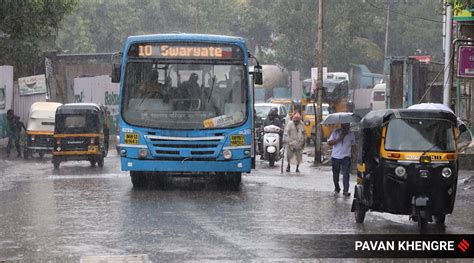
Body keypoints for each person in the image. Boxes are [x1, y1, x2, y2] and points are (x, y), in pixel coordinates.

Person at [328, 123, 356, 196]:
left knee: (346, 174)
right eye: (345, 126)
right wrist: (339, 138)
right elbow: (329, 143)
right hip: (335, 157)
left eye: (348, 126)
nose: (347, 128)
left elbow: (353, 145)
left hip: (346, 157)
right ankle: (337, 188)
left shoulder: (351, 134)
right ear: (342, 126)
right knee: (335, 175)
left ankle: (346, 190)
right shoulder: (336, 132)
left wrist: (354, 155)